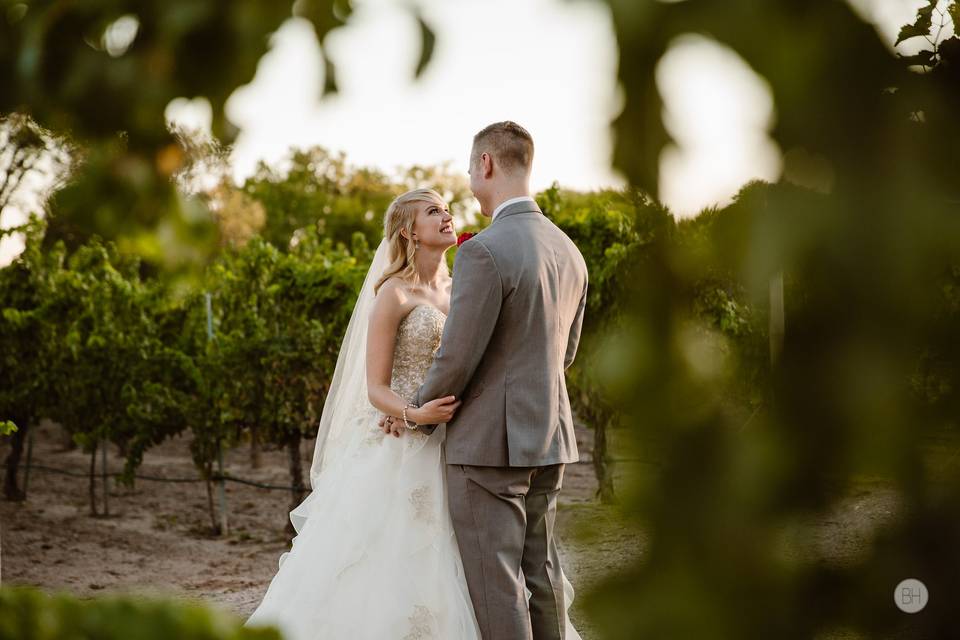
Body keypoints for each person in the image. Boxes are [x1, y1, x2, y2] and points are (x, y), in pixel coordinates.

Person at [381, 121, 589, 640]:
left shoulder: (483, 251)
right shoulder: (570, 252)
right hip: (550, 439)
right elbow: (564, 356)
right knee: (542, 576)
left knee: (497, 587)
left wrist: (418, 418)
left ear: (487, 164)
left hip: (487, 450)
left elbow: (455, 360)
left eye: (471, 170)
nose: (470, 185)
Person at [244, 188, 482, 639]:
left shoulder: (462, 288)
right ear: (410, 231)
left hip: (454, 440)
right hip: (400, 442)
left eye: (448, 209)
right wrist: (413, 414)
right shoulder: (392, 294)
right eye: (434, 212)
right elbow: (375, 388)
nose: (447, 216)